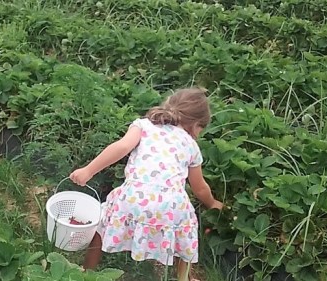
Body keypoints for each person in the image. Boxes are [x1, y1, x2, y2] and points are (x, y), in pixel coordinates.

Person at [69, 87, 223, 281]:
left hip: (133, 197)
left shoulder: (143, 125)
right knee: (186, 231)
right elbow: (199, 187)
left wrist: (88, 170)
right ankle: (184, 278)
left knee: (102, 224)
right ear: (195, 124)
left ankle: (86, 271)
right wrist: (212, 203)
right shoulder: (191, 145)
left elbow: (122, 147)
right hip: (171, 207)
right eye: (201, 129)